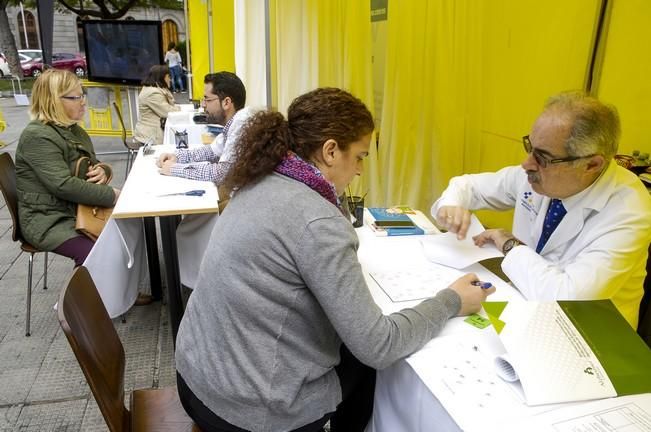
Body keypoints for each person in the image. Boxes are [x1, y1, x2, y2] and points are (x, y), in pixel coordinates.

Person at [175, 87, 494, 432]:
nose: (359, 171)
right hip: (249, 412)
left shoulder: (262, 176)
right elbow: (379, 345)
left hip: (196, 377)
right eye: (358, 157)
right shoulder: (317, 220)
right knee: (372, 361)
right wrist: (451, 301)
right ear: (330, 151)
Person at [432, 91, 651, 328]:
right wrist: (450, 206)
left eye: (543, 157)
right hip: (528, 304)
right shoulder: (540, 174)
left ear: (591, 164)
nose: (527, 164)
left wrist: (508, 243)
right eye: (530, 147)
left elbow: (566, 298)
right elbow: (469, 187)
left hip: (587, 334)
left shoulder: (629, 212)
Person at [15, 69, 119, 267]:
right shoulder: (37, 136)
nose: (83, 101)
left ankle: (122, 290)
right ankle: (96, 297)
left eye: (82, 95)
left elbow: (93, 162)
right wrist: (112, 195)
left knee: (126, 226)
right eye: (75, 97)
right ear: (52, 100)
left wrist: (103, 171)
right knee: (95, 253)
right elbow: (63, 185)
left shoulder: (74, 130)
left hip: (78, 209)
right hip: (47, 219)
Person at [157, 71, 255, 184]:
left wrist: (174, 169)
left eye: (207, 100)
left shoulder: (242, 125)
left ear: (226, 102)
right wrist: (176, 157)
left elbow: (220, 173)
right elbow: (210, 151)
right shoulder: (235, 122)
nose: (203, 105)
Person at [133, 64, 180, 145]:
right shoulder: (152, 93)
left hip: (153, 132)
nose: (170, 80)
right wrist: (178, 108)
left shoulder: (156, 89)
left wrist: (166, 89)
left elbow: (172, 103)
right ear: (162, 77)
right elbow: (168, 112)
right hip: (150, 136)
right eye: (169, 77)